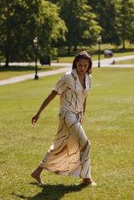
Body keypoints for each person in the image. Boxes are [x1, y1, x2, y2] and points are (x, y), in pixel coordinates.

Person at [31, 51, 96, 187]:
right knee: (86, 143)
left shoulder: (89, 78)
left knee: (60, 145)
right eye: (80, 65)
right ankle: (86, 178)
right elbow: (53, 93)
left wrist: (82, 115)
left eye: (85, 65)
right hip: (67, 114)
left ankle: (37, 171)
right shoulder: (68, 77)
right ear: (75, 64)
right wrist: (38, 113)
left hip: (77, 115)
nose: (82, 68)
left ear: (89, 65)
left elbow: (84, 97)